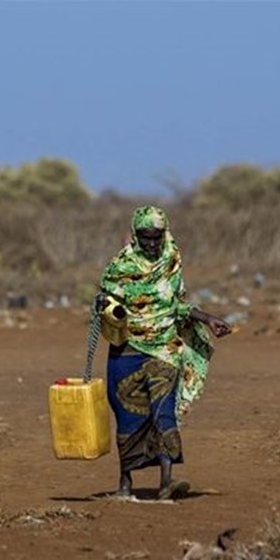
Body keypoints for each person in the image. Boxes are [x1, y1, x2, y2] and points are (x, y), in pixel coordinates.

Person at [98, 206, 231, 499]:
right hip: (127, 350)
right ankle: (125, 484)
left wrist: (206, 318)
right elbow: (104, 304)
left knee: (163, 413)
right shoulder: (120, 266)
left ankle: (166, 482)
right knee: (128, 417)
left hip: (165, 349)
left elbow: (177, 306)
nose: (152, 244)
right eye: (146, 237)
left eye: (157, 237)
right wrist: (108, 309)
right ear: (135, 235)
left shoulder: (171, 261)